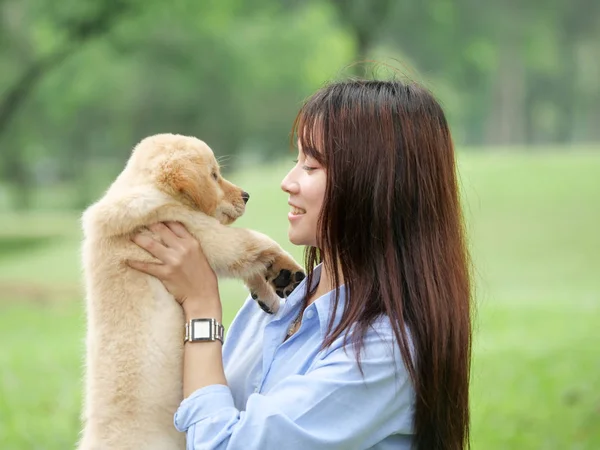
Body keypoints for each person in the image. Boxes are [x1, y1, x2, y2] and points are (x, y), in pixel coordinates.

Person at [128, 79, 472, 450]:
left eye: (311, 165)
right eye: (296, 161)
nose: (287, 182)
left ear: (375, 184)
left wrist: (201, 309)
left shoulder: (382, 351)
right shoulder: (278, 302)